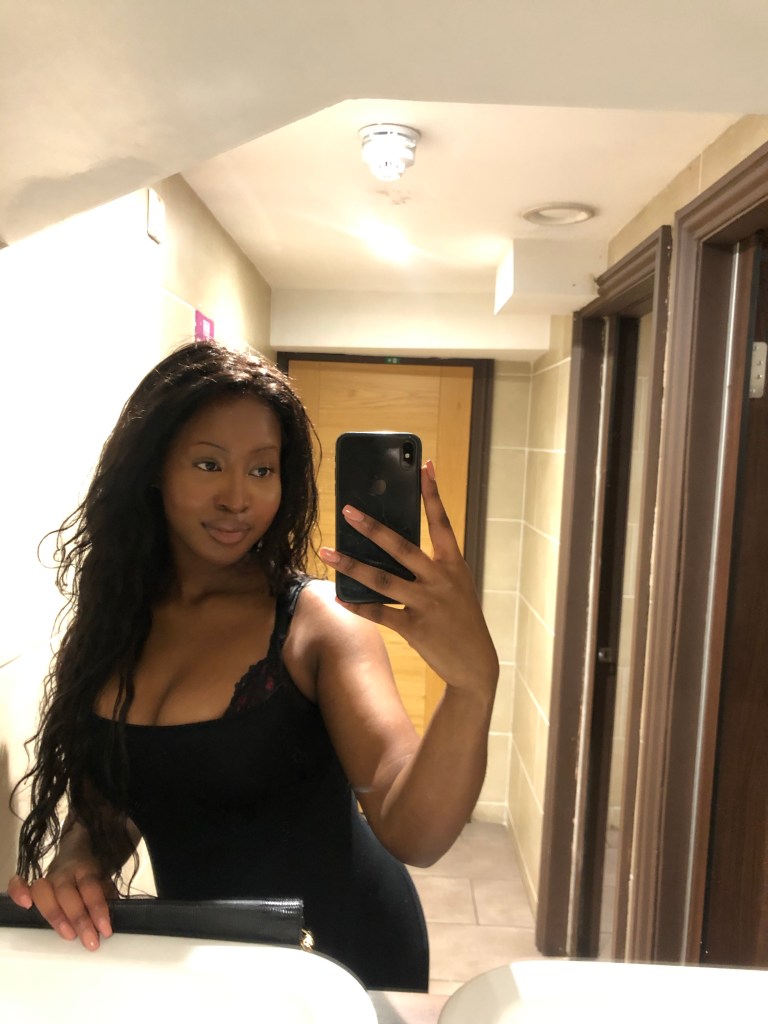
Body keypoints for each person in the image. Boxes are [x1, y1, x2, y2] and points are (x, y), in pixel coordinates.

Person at [6, 341, 498, 991]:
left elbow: (414, 830)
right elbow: (115, 794)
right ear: (154, 468)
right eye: (209, 464)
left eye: (262, 470)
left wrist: (471, 685)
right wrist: (80, 857)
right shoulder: (114, 623)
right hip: (203, 962)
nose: (238, 498)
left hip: (338, 957)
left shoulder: (317, 625)